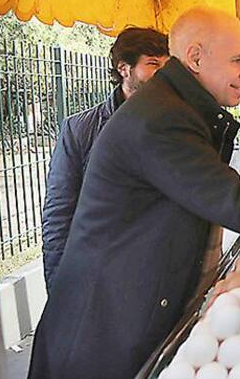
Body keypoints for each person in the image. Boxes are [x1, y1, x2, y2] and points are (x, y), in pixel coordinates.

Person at [28, 7, 240, 379]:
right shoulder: (161, 120)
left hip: (121, 318)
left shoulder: (175, 108)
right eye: (238, 60)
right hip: (102, 337)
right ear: (195, 58)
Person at [41, 27, 169, 293]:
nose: (162, 74)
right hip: (102, 276)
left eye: (167, 65)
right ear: (124, 69)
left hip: (160, 274)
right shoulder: (79, 130)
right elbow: (59, 215)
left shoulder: (177, 125)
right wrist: (60, 290)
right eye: (153, 64)